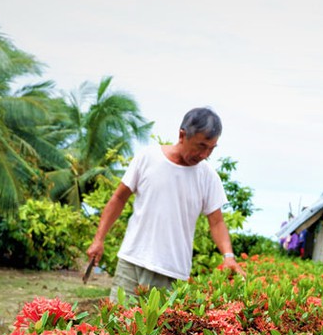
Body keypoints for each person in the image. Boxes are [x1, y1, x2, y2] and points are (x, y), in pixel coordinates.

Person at [86, 107, 244, 301]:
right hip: (131, 262)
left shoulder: (208, 176)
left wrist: (229, 256)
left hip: (172, 273)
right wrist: (98, 239)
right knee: (115, 324)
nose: (205, 154)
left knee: (159, 330)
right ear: (182, 135)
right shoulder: (148, 158)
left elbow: (217, 222)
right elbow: (118, 198)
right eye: (201, 146)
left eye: (211, 148)